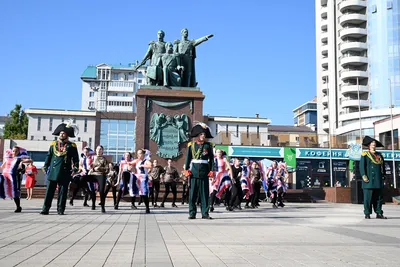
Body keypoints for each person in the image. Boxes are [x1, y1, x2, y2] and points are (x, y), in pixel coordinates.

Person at [41, 123, 79, 215]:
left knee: (63, 192)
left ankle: (60, 209)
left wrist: (75, 168)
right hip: (53, 171)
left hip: (65, 171)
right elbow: (49, 156)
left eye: (63, 133)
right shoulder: (53, 144)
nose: (61, 135)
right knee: (49, 191)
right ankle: (45, 209)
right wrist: (45, 166)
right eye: (60, 133)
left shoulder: (72, 146)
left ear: (67, 135)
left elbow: (75, 159)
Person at [184, 123, 215, 219]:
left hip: (204, 172)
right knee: (193, 194)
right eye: (201, 134)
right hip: (193, 172)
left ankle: (205, 213)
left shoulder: (208, 146)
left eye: (204, 135)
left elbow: (212, 160)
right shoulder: (191, 145)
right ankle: (192, 213)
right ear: (198, 135)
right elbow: (188, 159)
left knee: (205, 194)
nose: (203, 136)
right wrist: (186, 170)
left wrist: (212, 171)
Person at [359, 136, 387, 219]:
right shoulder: (365, 154)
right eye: (372, 143)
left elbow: (383, 167)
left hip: (378, 180)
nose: (373, 145)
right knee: (368, 198)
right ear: (369, 145)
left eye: (374, 143)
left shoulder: (379, 155)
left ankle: (379, 213)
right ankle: (367, 213)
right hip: (369, 180)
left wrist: (384, 176)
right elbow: (361, 166)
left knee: (379, 198)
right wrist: (364, 176)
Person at [0, 147, 31, 212]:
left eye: (16, 151)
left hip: (12, 176)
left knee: (14, 192)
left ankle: (18, 207)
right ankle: (2, 194)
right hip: (5, 175)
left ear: (18, 152)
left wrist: (22, 161)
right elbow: (2, 167)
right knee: (0, 181)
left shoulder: (18, 158)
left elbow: (30, 160)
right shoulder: (8, 158)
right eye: (13, 151)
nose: (14, 152)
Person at [88, 145, 109, 213]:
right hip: (92, 174)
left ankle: (102, 206)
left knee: (101, 191)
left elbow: (107, 169)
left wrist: (99, 168)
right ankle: (93, 203)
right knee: (91, 188)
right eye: (98, 149)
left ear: (102, 151)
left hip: (101, 175)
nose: (99, 150)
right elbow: (89, 166)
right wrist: (91, 168)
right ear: (96, 150)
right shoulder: (92, 158)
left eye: (100, 149)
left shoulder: (104, 159)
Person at [133, 149, 152, 213]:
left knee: (144, 192)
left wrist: (143, 165)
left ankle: (147, 207)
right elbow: (130, 163)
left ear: (143, 154)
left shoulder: (146, 161)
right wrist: (128, 165)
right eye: (138, 153)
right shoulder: (137, 161)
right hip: (138, 178)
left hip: (143, 178)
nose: (139, 155)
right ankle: (133, 204)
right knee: (134, 191)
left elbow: (150, 166)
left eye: (140, 153)